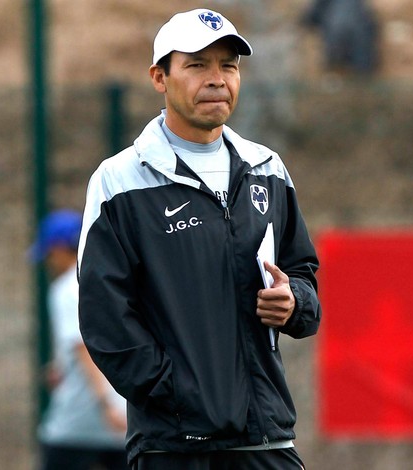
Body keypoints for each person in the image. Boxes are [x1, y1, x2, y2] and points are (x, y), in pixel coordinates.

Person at [77, 8, 321, 470]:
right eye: (196, 64)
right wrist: (176, 394)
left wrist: (294, 303)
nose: (216, 79)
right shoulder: (119, 182)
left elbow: (304, 276)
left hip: (266, 441)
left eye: (228, 65)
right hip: (172, 448)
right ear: (159, 77)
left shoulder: (267, 169)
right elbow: (105, 317)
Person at [29, 209, 128, 470]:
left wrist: (106, 405)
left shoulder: (66, 289)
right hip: (123, 419)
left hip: (80, 421)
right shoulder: (106, 278)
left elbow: (84, 348)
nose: (48, 261)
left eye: (48, 253)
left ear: (60, 248)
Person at [301, 0, 379, 75]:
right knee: (362, 75)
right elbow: (371, 23)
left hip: (337, 42)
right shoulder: (358, 3)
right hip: (360, 42)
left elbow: (309, 18)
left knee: (337, 74)